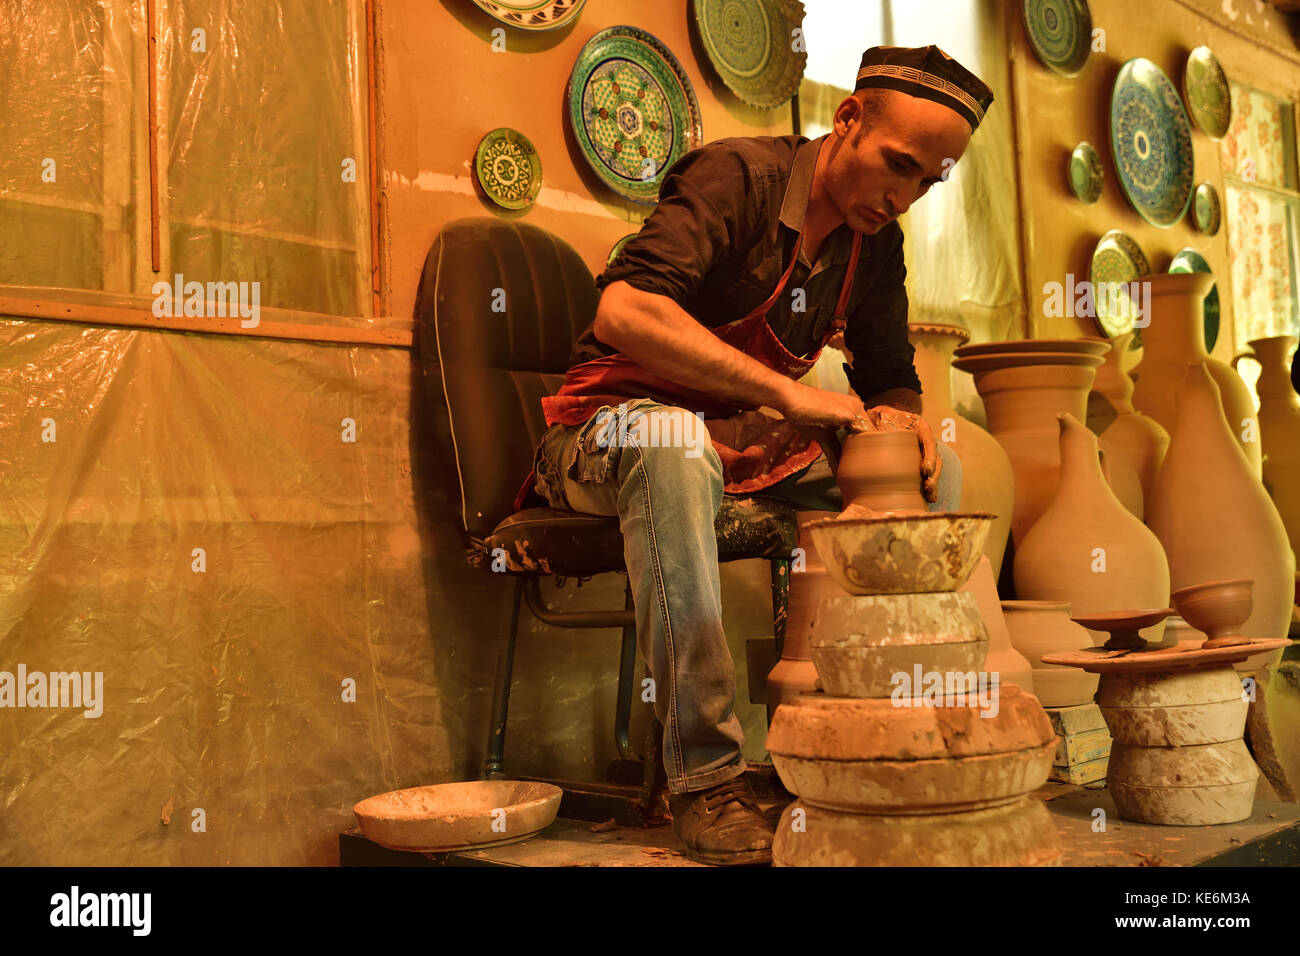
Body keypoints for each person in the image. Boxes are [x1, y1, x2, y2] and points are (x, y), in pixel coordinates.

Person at [521, 45, 995, 865]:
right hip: (607, 433)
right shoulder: (734, 177)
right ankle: (704, 780)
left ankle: (842, 731)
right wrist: (792, 395)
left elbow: (890, 378)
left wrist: (903, 423)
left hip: (735, 445)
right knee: (671, 442)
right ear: (847, 119)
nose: (905, 196)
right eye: (899, 166)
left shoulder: (871, 241)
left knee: (931, 471)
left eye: (928, 182)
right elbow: (625, 311)